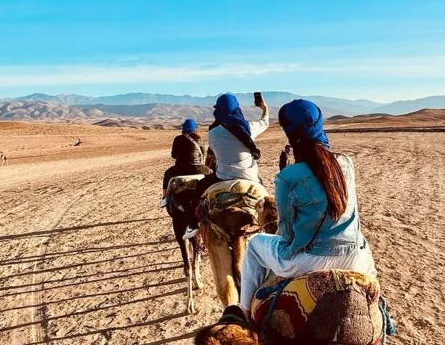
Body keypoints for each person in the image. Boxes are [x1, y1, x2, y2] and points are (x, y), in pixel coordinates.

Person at [239, 98, 375, 314]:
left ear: (290, 134)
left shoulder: (286, 177)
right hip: (354, 259)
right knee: (363, 243)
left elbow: (287, 232)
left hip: (309, 261)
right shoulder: (347, 163)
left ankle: (243, 313)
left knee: (255, 244)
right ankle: (381, 311)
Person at [182, 93, 269, 240]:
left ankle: (193, 225)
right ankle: (268, 226)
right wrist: (264, 107)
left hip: (222, 177)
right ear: (237, 109)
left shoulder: (213, 133)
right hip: (251, 178)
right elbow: (265, 122)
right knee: (266, 201)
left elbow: (214, 155)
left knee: (199, 189)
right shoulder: (249, 128)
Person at [160, 118, 206, 208]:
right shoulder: (200, 139)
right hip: (198, 169)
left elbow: (173, 155)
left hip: (180, 169)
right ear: (195, 129)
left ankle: (164, 198)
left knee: (167, 174)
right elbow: (203, 154)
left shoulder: (178, 138)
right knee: (211, 175)